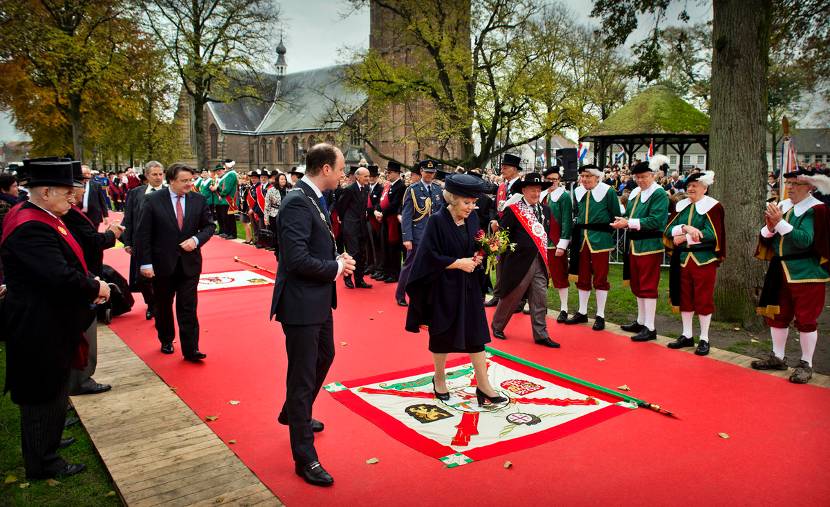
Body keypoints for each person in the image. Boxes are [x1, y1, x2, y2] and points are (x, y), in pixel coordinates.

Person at [0, 158, 110, 480]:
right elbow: (59, 276)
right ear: (46, 191)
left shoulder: (40, 214)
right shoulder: (32, 226)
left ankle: (50, 439)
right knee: (41, 392)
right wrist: (95, 286)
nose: (73, 198)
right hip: (39, 325)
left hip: (50, 320)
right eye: (66, 192)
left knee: (53, 387)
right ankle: (42, 462)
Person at [270, 143, 356, 487]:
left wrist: (338, 262)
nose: (343, 174)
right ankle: (304, 457)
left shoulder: (311, 198)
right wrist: (335, 267)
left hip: (317, 299)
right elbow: (295, 260)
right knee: (302, 377)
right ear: (324, 169)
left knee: (325, 355)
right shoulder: (295, 202)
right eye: (340, 168)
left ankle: (295, 412)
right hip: (301, 304)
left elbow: (317, 246)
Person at [405, 174, 508, 406]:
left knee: (476, 335)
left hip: (468, 286)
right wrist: (458, 263)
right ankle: (439, 380)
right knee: (441, 334)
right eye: (466, 203)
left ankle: (484, 385)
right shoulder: (436, 221)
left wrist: (480, 255)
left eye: (474, 202)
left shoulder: (472, 220)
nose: (471, 207)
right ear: (452, 199)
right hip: (443, 287)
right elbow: (427, 257)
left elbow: (473, 246)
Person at [753, 168, 830, 383]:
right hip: (780, 270)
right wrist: (769, 227)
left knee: (806, 319)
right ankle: (777, 356)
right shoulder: (783, 207)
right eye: (788, 184)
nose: (790, 188)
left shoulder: (817, 210)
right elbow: (766, 236)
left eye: (796, 184)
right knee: (778, 315)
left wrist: (778, 223)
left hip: (807, 272)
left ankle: (807, 363)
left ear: (810, 187)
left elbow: (805, 240)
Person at [137, 163, 215, 361]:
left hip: (189, 264)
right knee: (163, 305)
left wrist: (196, 240)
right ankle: (166, 338)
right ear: (171, 181)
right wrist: (145, 263)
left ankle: (191, 349)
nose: (189, 184)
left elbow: (209, 227)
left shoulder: (198, 199)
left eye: (191, 180)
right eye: (184, 181)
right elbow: (144, 234)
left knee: (188, 306)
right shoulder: (153, 200)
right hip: (162, 265)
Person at [63, 161, 124, 395]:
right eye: (81, 184)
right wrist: (112, 235)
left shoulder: (69, 212)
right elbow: (89, 242)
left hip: (84, 276)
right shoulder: (67, 215)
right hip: (81, 281)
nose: (81, 190)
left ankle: (77, 379)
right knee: (82, 333)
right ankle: (80, 379)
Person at [491, 173, 560, 348]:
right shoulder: (513, 210)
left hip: (539, 261)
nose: (536, 194)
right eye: (532, 190)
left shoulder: (545, 210)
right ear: (524, 190)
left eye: (538, 190)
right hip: (519, 262)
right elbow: (503, 236)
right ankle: (497, 325)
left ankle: (541, 334)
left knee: (540, 298)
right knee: (512, 297)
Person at [663, 170, 725, 356]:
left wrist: (686, 237)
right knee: (685, 298)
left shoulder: (713, 207)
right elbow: (668, 230)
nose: (690, 188)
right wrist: (684, 228)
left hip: (703, 259)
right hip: (682, 259)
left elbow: (713, 234)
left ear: (704, 188)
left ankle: (704, 338)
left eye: (694, 186)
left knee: (703, 299)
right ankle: (687, 334)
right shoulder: (682, 205)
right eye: (689, 185)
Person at [611, 156, 670, 342]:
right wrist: (624, 220)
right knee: (637, 284)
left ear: (652, 175)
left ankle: (650, 327)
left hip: (649, 245)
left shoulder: (659, 193)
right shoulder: (636, 192)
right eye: (637, 177)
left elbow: (657, 221)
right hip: (634, 244)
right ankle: (641, 320)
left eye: (644, 177)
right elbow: (631, 215)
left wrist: (628, 222)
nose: (640, 180)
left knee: (648, 285)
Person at [564, 164, 622, 331]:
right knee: (582, 276)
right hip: (581, 239)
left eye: (588, 176)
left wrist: (605, 233)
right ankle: (582, 312)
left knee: (600, 277)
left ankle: (600, 315)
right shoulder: (578, 191)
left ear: (597, 177)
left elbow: (615, 215)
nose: (584, 179)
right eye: (582, 176)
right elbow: (577, 212)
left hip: (601, 240)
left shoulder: (608, 191)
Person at [396, 160, 445, 306]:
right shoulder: (412, 189)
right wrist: (407, 238)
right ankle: (400, 294)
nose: (429, 175)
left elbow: (440, 213)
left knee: (432, 265)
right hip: (417, 234)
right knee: (410, 265)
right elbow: (407, 216)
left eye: (432, 172)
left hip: (433, 235)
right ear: (421, 171)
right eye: (426, 172)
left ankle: (426, 294)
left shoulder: (438, 190)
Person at [122, 161, 166, 321]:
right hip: (141, 243)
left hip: (163, 244)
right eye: (154, 174)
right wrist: (127, 242)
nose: (158, 177)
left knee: (161, 277)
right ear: (147, 176)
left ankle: (161, 305)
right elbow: (129, 218)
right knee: (142, 279)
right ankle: (151, 303)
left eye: (161, 174)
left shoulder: (169, 192)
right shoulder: (136, 193)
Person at [485, 153, 523, 308]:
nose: (502, 170)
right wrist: (494, 220)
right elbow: (495, 207)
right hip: (500, 230)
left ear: (514, 169)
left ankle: (519, 299)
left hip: (516, 231)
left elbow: (520, 209)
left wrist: (500, 222)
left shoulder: (522, 185)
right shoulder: (501, 186)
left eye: (505, 167)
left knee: (516, 266)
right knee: (500, 263)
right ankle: (498, 294)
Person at [542, 166, 572, 322]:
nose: (552, 182)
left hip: (556, 243)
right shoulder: (541, 196)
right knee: (540, 278)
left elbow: (567, 221)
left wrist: (563, 243)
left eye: (555, 179)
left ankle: (564, 309)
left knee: (560, 276)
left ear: (559, 180)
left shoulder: (564, 197)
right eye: (549, 179)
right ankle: (542, 306)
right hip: (540, 243)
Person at [335, 166, 372, 289]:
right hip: (351, 226)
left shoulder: (366, 188)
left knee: (362, 253)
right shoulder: (350, 189)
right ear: (357, 176)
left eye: (368, 176)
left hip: (362, 225)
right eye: (365, 176)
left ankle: (359, 279)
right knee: (352, 253)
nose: (368, 178)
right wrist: (344, 219)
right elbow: (341, 206)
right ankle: (347, 278)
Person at [376, 161, 405, 283]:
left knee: (393, 248)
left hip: (393, 221)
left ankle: (395, 273)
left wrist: (383, 213)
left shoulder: (401, 186)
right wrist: (377, 210)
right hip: (386, 220)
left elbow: (395, 204)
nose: (387, 174)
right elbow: (381, 201)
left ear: (397, 173)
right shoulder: (389, 186)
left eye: (390, 172)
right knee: (385, 247)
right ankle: (387, 271)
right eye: (387, 172)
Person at [366, 165, 385, 279]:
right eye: (370, 176)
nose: (371, 178)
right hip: (368, 219)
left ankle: (379, 267)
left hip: (376, 219)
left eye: (373, 176)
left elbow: (379, 204)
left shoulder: (380, 188)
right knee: (368, 243)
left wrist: (372, 210)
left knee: (377, 245)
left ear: (377, 177)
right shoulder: (366, 187)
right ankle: (371, 265)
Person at [212, 159, 239, 239]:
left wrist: (219, 190)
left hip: (229, 199)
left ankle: (232, 234)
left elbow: (227, 188)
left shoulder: (231, 174)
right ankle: (227, 232)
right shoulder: (228, 174)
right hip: (225, 200)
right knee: (226, 218)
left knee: (230, 218)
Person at [79, 165, 109, 229]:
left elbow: (102, 200)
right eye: (84, 174)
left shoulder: (97, 185)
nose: (87, 175)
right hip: (80, 214)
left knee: (94, 234)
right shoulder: (76, 185)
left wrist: (105, 216)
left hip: (94, 215)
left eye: (88, 173)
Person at [264, 170, 282, 253]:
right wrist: (266, 217)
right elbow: (267, 204)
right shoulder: (271, 190)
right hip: (274, 213)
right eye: (281, 179)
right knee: (274, 233)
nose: (283, 181)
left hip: (285, 215)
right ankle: (275, 247)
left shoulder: (289, 190)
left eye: (284, 179)